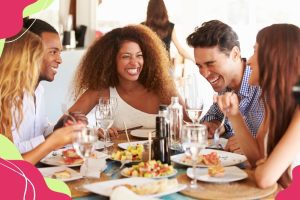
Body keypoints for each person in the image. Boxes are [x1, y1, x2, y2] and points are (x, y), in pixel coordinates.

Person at [214, 24, 300, 188]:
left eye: (256, 52)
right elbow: (256, 158)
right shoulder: (274, 102)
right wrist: (234, 115)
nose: (250, 60)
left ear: (274, 58)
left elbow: (264, 178)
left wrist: (264, 166)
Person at [64, 24, 179, 137]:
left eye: (139, 55)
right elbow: (64, 125)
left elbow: (190, 125)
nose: (134, 63)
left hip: (161, 154)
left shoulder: (163, 88)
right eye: (126, 56)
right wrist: (92, 132)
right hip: (119, 155)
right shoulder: (102, 91)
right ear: (110, 60)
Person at [0, 30, 84, 165]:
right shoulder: (4, 99)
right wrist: (51, 142)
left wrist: (57, 131)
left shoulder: (36, 90)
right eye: (38, 58)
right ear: (19, 61)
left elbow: (38, 132)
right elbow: (11, 162)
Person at [186, 20, 264, 152]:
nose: (204, 73)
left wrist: (253, 143)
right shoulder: (225, 85)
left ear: (235, 54)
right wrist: (215, 124)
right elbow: (214, 115)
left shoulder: (264, 86)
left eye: (210, 63)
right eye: (199, 66)